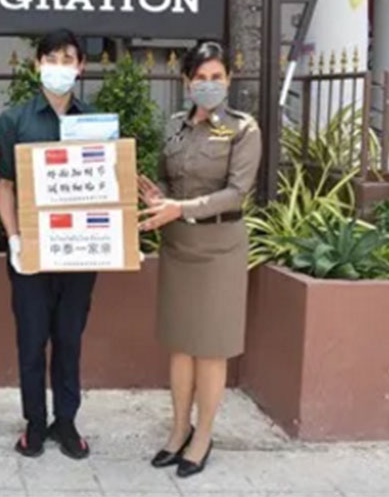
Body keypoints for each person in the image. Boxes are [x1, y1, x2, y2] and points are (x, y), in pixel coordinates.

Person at [138, 40, 261, 479]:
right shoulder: (174, 126)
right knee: (181, 345)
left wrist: (181, 209)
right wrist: (157, 198)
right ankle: (177, 431)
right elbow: (170, 182)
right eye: (200, 78)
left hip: (219, 247)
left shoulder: (245, 129)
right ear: (186, 81)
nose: (208, 85)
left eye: (217, 78)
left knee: (210, 348)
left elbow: (236, 192)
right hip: (178, 246)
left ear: (228, 80)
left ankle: (203, 436)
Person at [0, 28, 95, 460]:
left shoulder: (94, 123)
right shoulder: (14, 120)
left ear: (80, 67)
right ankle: (34, 423)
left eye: (67, 59)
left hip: (78, 252)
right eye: (50, 58)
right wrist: (14, 238)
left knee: (69, 341)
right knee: (32, 341)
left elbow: (104, 185)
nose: (58, 67)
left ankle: (66, 422)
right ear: (38, 65)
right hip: (30, 252)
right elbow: (4, 187)